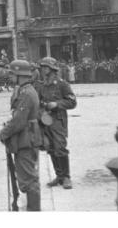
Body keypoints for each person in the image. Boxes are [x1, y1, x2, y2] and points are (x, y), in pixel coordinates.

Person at [0, 59, 42, 211]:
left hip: (26, 139)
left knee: (29, 180)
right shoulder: (24, 90)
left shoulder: (27, 93)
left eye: (12, 74)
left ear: (19, 75)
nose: (10, 77)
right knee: (27, 178)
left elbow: (19, 121)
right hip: (25, 138)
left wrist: (4, 133)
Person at [36, 56, 77, 190]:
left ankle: (66, 177)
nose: (43, 70)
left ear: (52, 69)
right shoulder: (41, 85)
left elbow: (72, 102)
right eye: (42, 67)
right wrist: (41, 111)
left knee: (60, 148)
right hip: (45, 120)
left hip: (58, 120)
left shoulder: (62, 84)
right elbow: (38, 102)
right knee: (50, 148)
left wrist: (57, 104)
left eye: (45, 67)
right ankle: (59, 176)